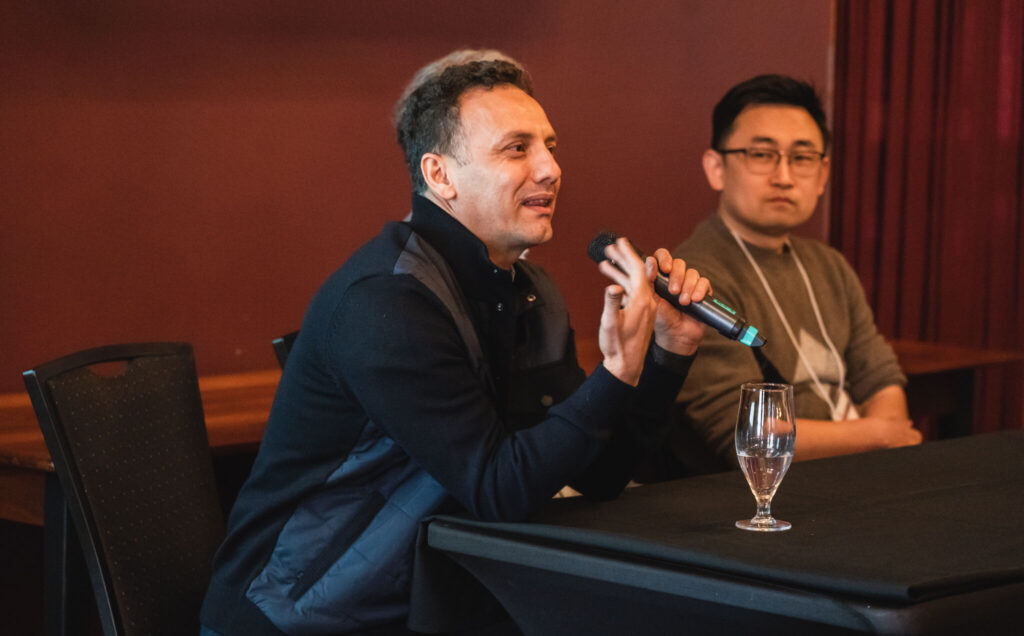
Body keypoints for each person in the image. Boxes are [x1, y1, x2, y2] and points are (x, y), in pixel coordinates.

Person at [200, 54, 710, 635]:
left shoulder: (529, 289)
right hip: (297, 618)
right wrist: (617, 371)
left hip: (431, 606)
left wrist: (668, 352)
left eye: (549, 145)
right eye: (516, 149)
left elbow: (595, 475)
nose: (549, 169)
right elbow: (499, 489)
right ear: (440, 175)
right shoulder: (386, 301)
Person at [660, 74, 922, 477]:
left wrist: (882, 435)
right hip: (753, 503)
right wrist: (880, 437)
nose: (784, 176)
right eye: (762, 155)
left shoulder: (830, 266)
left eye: (801, 158)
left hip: (854, 478)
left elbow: (879, 379)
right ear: (716, 168)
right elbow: (753, 437)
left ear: (822, 174)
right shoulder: (695, 279)